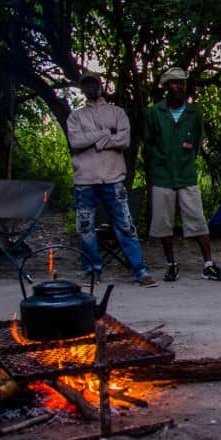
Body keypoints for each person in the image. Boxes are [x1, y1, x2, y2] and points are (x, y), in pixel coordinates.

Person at [66, 73, 157, 288]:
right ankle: (92, 270)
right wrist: (106, 134)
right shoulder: (75, 116)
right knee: (85, 227)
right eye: (87, 84)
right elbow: (76, 142)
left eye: (95, 83)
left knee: (125, 225)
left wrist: (94, 140)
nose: (92, 87)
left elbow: (124, 140)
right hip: (84, 181)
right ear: (82, 89)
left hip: (113, 179)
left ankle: (139, 270)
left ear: (101, 86)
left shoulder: (117, 112)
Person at [144, 67, 221, 283]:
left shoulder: (194, 113)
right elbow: (148, 143)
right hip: (163, 176)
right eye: (173, 83)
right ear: (166, 86)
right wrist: (159, 161)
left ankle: (208, 265)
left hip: (186, 175)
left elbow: (198, 141)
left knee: (197, 220)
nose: (178, 86)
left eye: (181, 83)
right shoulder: (155, 113)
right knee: (163, 223)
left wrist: (188, 155)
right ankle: (171, 264)